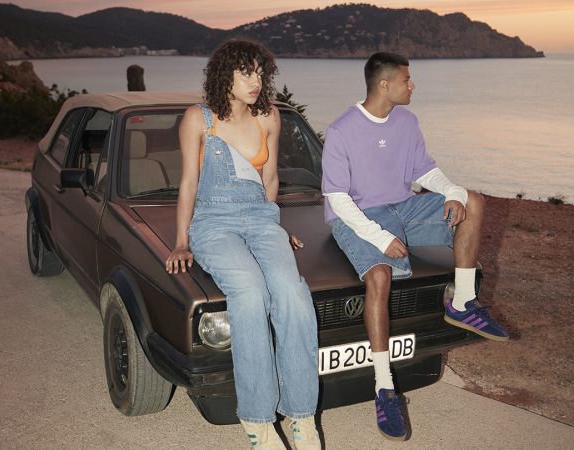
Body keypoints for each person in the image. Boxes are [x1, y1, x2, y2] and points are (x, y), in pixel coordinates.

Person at [321, 52, 509, 441]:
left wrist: (452, 192)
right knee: (379, 276)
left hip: (403, 207)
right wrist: (380, 237)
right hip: (357, 215)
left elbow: (424, 170)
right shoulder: (342, 129)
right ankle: (384, 387)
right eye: (407, 80)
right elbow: (338, 199)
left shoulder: (407, 122)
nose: (413, 86)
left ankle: (463, 302)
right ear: (384, 84)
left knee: (473, 202)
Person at [165, 39, 321, 450]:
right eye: (246, 73)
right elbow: (188, 184)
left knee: (292, 294)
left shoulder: (269, 117)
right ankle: (257, 421)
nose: (257, 82)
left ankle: (302, 415)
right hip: (212, 223)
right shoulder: (198, 120)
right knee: (250, 293)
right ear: (225, 75)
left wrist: (275, 228)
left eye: (261, 74)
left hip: (261, 219)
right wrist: (180, 242)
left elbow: (269, 181)